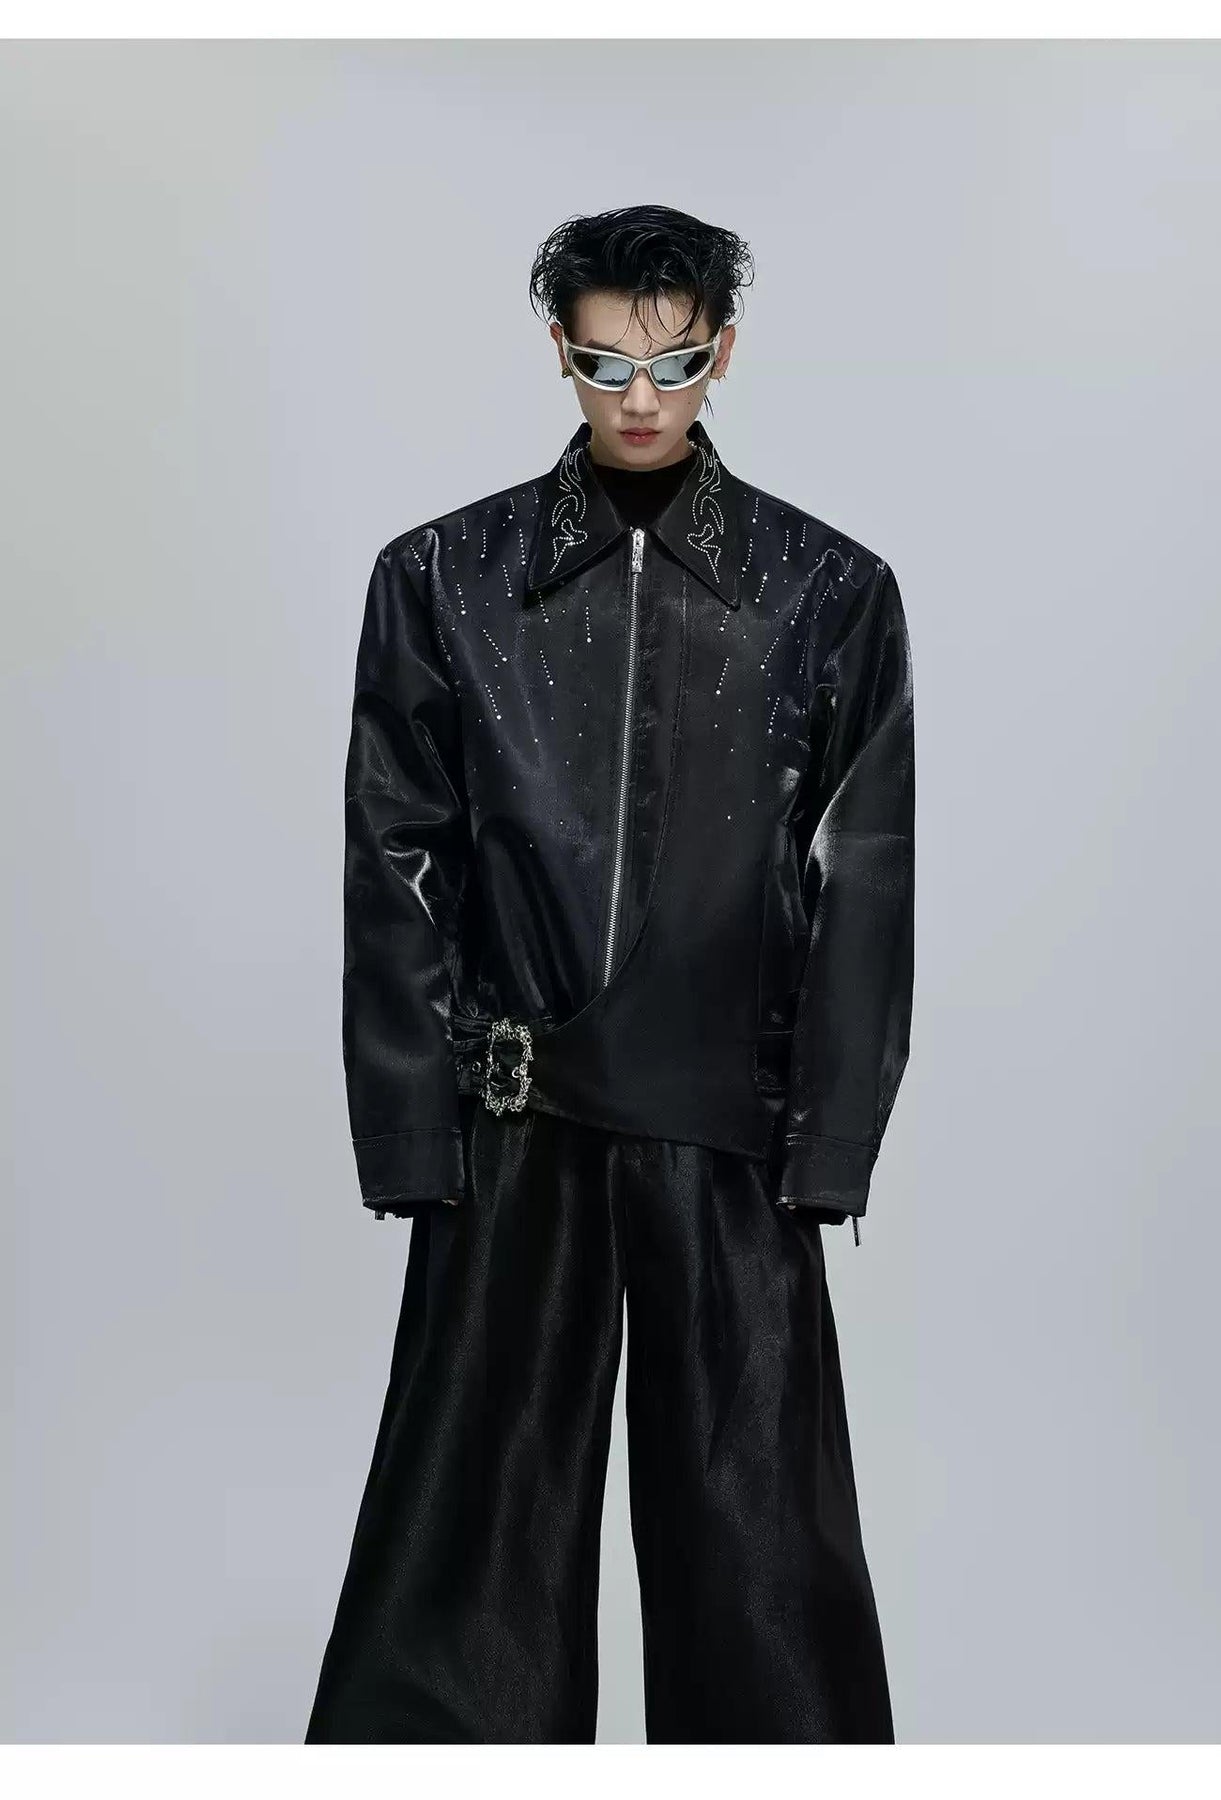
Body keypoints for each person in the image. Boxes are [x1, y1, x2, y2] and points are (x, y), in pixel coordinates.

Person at [305, 204, 915, 1744]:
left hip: (731, 1128)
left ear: (723, 351)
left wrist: (830, 1140)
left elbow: (866, 872)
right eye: (603, 363)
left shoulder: (827, 589)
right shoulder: (441, 576)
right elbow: (392, 851)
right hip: (513, 1120)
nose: (639, 397)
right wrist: (410, 1128)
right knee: (468, 1545)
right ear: (559, 352)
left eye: (673, 361)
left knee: (758, 1547)